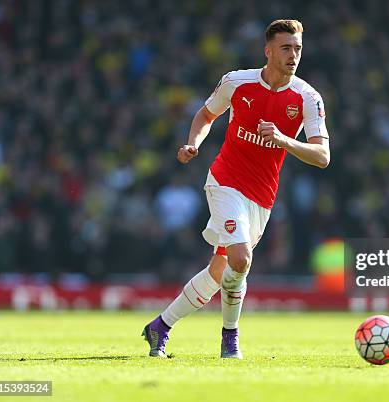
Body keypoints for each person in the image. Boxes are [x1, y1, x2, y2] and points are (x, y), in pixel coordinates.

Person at [142, 19, 330, 359]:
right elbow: (205, 114)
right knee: (241, 259)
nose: (293, 55)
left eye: (298, 48)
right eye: (286, 48)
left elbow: (322, 156)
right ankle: (230, 341)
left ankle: (160, 326)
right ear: (268, 51)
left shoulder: (307, 98)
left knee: (220, 272)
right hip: (225, 181)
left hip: (262, 197)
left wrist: (284, 139)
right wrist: (192, 143)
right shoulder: (237, 82)